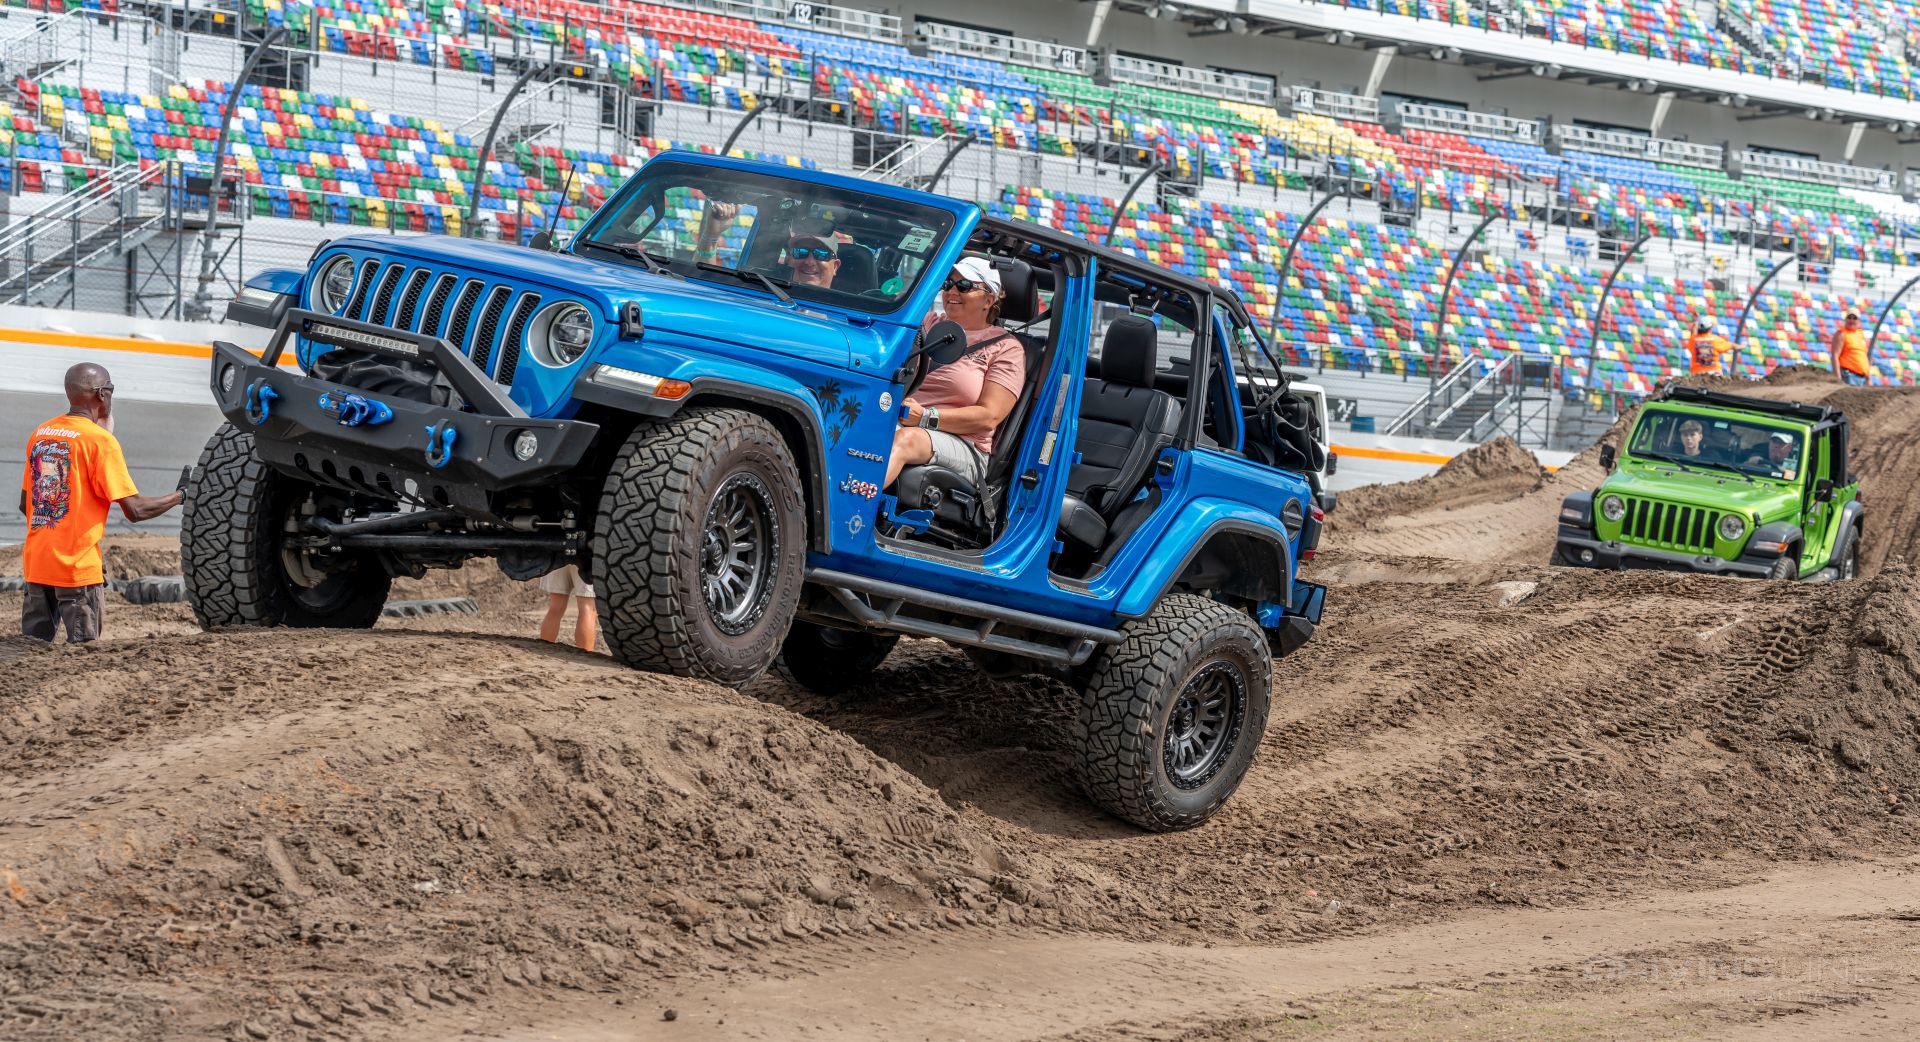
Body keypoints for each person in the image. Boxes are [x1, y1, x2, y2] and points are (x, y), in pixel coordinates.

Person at [17, 363, 182, 643]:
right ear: (102, 394)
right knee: (83, 657)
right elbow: (136, 510)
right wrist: (181, 496)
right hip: (77, 570)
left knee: (31, 652)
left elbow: (26, 504)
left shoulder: (42, 433)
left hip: (38, 564)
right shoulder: (100, 442)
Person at [884, 257, 1027, 490]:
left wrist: (925, 417)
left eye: (964, 286)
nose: (952, 291)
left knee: (904, 440)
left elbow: (988, 416)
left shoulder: (1006, 348)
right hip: (897, 418)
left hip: (963, 443)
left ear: (988, 299)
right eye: (948, 284)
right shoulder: (925, 323)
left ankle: (846, 513)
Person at [538, 564, 596, 652]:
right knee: (587, 608)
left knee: (555, 607)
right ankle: (584, 656)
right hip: (588, 556)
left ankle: (544, 652)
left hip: (558, 555)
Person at [1829, 310, 1870, 386]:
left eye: (1854, 318)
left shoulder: (1860, 334)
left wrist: (1868, 377)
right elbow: (1835, 356)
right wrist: (1838, 378)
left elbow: (1864, 356)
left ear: (1859, 321)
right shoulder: (1841, 334)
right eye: (1849, 317)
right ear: (1845, 319)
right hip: (1848, 375)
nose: (1851, 320)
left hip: (1861, 377)